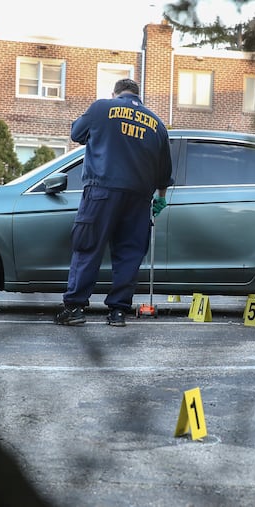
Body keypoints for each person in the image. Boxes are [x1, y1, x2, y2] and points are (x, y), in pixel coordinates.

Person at [54, 78, 173, 327]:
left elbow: (77, 133)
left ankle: (75, 308)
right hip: (139, 198)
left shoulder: (102, 108)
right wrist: (160, 199)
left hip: (102, 192)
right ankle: (118, 312)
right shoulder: (157, 124)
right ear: (139, 97)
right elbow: (164, 173)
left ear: (115, 93)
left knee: (88, 247)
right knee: (129, 254)